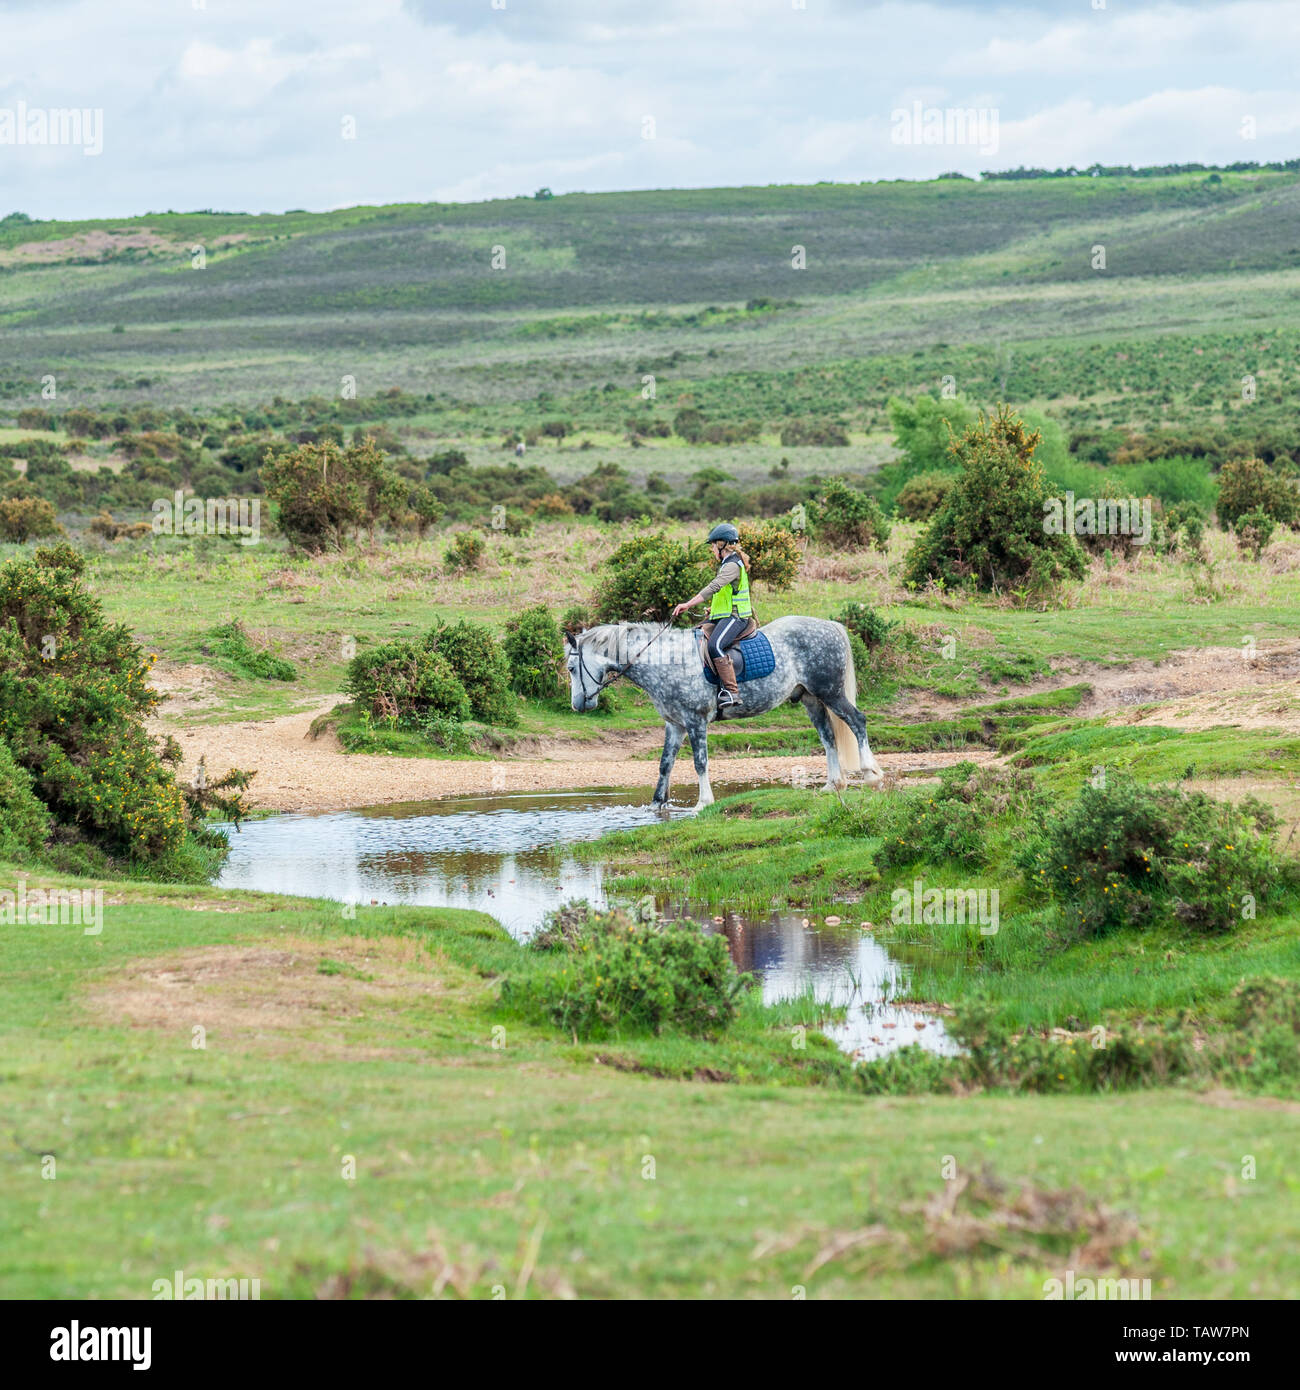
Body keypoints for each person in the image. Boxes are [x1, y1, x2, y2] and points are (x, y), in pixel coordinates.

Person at [671, 523, 757, 711]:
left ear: (721, 545)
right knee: (697, 635)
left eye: (712, 546)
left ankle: (732, 692)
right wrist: (713, 609)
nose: (711, 550)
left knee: (714, 646)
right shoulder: (727, 563)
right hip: (724, 615)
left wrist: (687, 604)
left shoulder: (733, 564)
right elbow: (724, 595)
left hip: (737, 617)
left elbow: (714, 587)